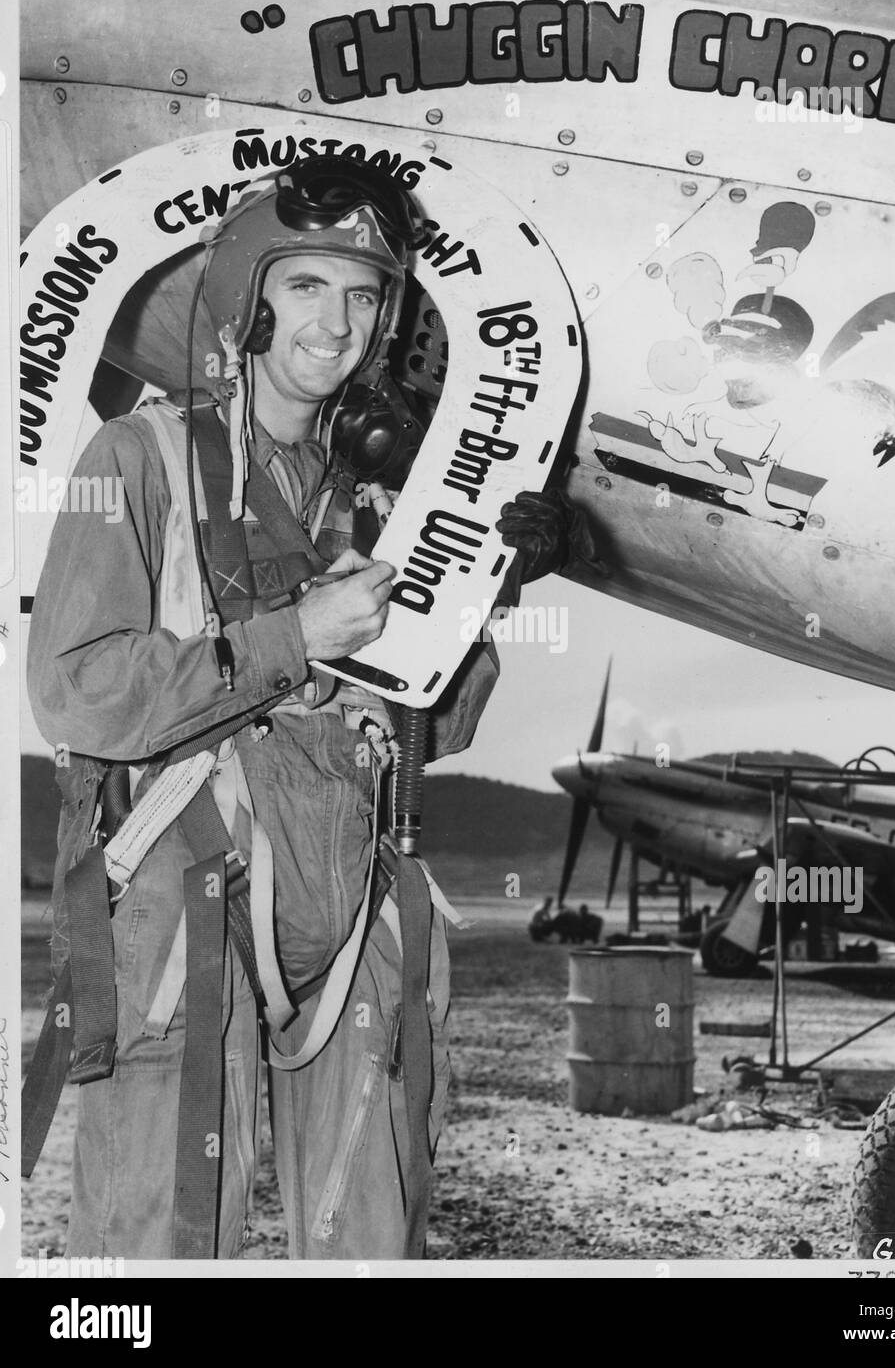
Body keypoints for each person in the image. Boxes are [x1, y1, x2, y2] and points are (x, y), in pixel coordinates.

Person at [25, 155, 587, 1259]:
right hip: (191, 899)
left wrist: (484, 591)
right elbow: (74, 688)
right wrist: (296, 637)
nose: (337, 323)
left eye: (364, 294)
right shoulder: (136, 459)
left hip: (350, 895)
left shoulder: (379, 505)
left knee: (369, 1230)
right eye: (309, 286)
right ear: (249, 296)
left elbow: (446, 718)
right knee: (159, 1238)